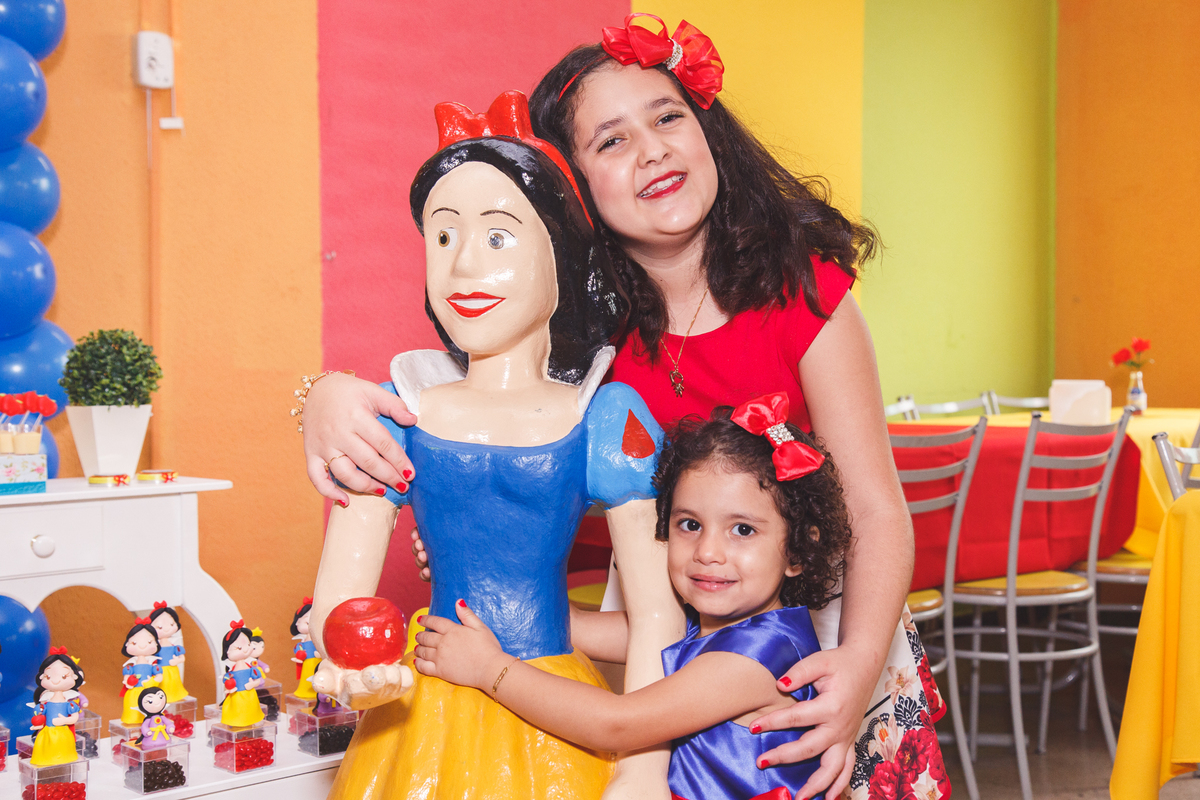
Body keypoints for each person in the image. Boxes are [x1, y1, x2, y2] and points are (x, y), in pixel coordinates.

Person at [299, 16, 938, 799]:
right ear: (573, 192)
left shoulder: (803, 298)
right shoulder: (585, 339)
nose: (653, 149)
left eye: (667, 117)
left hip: (822, 640)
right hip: (663, 645)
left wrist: (855, 668)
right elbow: (447, 396)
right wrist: (325, 397)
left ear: (707, 130)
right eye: (611, 141)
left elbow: (877, 512)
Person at [305, 90, 678, 800]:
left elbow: (657, 611)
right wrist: (347, 659)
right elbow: (339, 594)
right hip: (425, 704)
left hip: (552, 703)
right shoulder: (399, 413)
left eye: (498, 236)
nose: (464, 266)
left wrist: (643, 764)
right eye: (443, 238)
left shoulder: (604, 417)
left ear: (561, 256)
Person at [416, 396, 854, 800]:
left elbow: (617, 724)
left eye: (742, 530)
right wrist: (475, 573)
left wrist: (490, 669)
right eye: (689, 524)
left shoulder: (757, 658)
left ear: (797, 550)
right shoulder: (693, 624)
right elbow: (563, 624)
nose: (707, 552)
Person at [29, 648, 85, 766]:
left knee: (64, 757)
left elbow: (75, 717)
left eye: (64, 676)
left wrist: (64, 720)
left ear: (74, 677)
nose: (55, 681)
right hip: (47, 733)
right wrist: (38, 724)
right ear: (41, 677)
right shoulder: (45, 703)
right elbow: (41, 716)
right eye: (48, 677)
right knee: (45, 757)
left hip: (63, 733)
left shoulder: (70, 703)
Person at [220, 621, 266, 727]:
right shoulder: (231, 670)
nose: (245, 649)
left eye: (248, 645)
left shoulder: (251, 668)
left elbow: (258, 679)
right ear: (227, 652)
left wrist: (252, 684)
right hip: (237, 696)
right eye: (239, 648)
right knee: (238, 714)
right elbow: (226, 681)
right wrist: (229, 688)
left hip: (250, 695)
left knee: (250, 713)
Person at [120, 618, 163, 726]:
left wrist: (153, 681)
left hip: (149, 693)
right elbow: (126, 681)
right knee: (133, 711)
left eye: (149, 642)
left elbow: (159, 677)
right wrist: (129, 682)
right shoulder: (129, 668)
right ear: (127, 644)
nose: (142, 646)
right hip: (134, 692)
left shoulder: (154, 665)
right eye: (134, 643)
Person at [149, 601, 189, 703]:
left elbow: (182, 658)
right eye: (160, 627)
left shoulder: (175, 647)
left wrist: (177, 661)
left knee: (174, 685)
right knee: (163, 686)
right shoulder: (155, 646)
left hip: (173, 670)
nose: (167, 629)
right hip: (160, 671)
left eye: (171, 624)